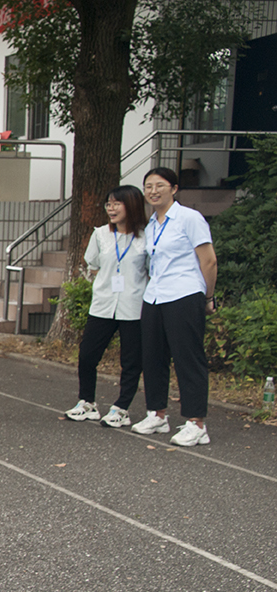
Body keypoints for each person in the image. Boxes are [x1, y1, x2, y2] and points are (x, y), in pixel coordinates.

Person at [133, 167, 218, 446]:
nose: (153, 191)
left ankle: (196, 423)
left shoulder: (189, 218)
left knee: (187, 358)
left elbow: (209, 261)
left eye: (160, 185)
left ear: (174, 188)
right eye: (148, 186)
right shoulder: (152, 224)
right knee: (153, 357)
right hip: (155, 296)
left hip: (184, 293)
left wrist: (207, 297)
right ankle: (157, 414)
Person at [64, 185, 148, 427]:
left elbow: (150, 270)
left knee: (131, 360)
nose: (110, 208)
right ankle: (87, 402)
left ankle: (121, 408)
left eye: (116, 203)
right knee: (88, 355)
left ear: (131, 205)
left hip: (133, 305)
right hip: (103, 305)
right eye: (108, 204)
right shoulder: (101, 234)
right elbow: (93, 265)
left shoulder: (145, 236)